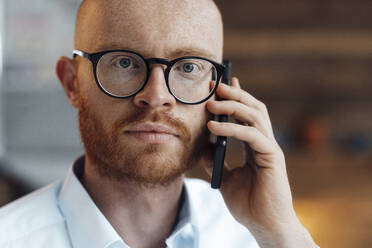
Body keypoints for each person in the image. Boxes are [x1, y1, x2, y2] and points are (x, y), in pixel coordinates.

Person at [0, 0, 319, 247]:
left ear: (219, 89)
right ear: (72, 83)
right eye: (124, 62)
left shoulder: (257, 236)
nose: (157, 96)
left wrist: (282, 235)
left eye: (189, 67)